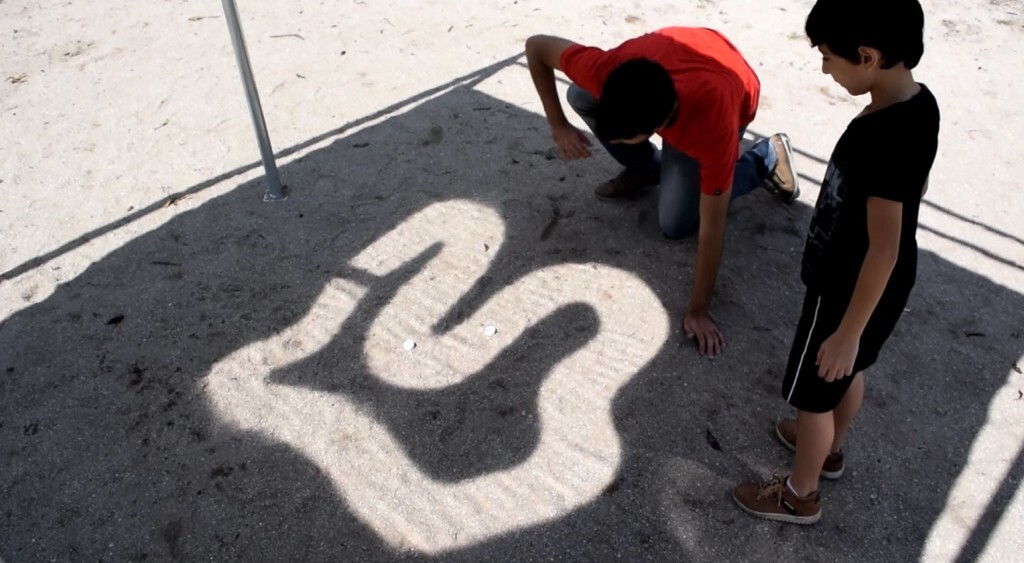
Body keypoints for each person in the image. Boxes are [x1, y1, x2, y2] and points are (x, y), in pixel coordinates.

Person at [733, 0, 940, 524]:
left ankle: (798, 494)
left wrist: (847, 329)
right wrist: (855, 338)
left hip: (847, 288)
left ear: (867, 56)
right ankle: (827, 450)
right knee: (847, 374)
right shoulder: (920, 104)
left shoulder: (882, 137)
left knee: (814, 392)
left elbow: (883, 247)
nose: (824, 67)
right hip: (880, 285)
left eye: (828, 56)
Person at [525, 27, 799, 356]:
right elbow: (537, 46)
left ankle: (767, 156)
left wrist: (698, 311)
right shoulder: (605, 68)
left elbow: (712, 230)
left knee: (676, 223)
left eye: (625, 138)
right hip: (681, 53)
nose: (609, 141)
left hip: (732, 84)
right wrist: (558, 125)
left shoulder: (710, 127)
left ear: (656, 129)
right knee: (579, 95)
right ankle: (646, 169)